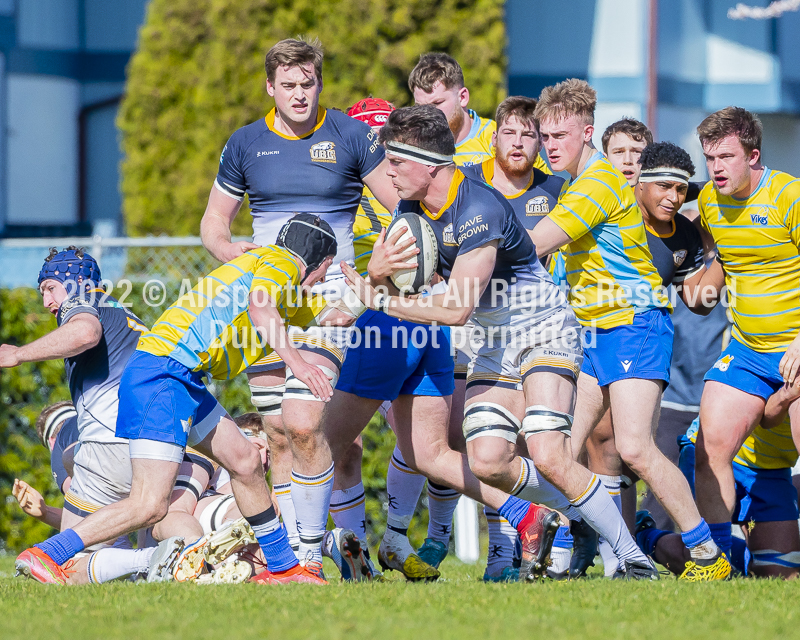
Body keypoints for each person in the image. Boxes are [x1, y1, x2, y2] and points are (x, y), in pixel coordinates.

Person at [343, 104, 655, 580]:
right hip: (492, 342)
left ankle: (632, 558)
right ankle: (577, 514)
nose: (386, 173)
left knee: (548, 453)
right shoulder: (410, 207)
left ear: (428, 164)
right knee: (488, 461)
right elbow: (397, 290)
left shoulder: (479, 209)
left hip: (542, 330)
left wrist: (378, 300)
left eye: (396, 162)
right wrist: (377, 275)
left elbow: (456, 308)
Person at [14, 215, 345, 586]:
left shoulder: (278, 278)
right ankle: (47, 553)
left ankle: (284, 569)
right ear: (322, 262)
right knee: (149, 504)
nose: (324, 279)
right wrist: (299, 365)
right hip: (164, 371)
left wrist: (371, 290)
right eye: (327, 271)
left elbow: (326, 317)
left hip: (182, 374)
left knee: (246, 461)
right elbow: (260, 307)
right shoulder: (282, 263)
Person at [199, 38, 398, 570]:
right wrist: (227, 249)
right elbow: (213, 224)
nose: (299, 94)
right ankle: (293, 561)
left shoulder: (351, 135)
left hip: (330, 300)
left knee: (306, 423)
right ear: (270, 87)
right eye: (288, 85)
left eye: (307, 84)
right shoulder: (244, 143)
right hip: (264, 298)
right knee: (279, 435)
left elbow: (404, 211)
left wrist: (377, 270)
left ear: (319, 83)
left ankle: (310, 557)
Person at [528, 78, 731, 580]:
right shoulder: (581, 184)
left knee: (635, 447)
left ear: (586, 133)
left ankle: (707, 555)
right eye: (545, 137)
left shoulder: (596, 183)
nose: (550, 146)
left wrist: (460, 254)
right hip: (593, 333)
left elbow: (534, 245)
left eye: (560, 136)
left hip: (635, 324)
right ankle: (607, 553)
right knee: (558, 452)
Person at [693, 106, 800, 564]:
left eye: (726, 157)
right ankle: (714, 560)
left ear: (753, 155)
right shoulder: (707, 204)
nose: (716, 168)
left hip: (796, 349)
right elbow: (711, 258)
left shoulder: (788, 196)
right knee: (709, 445)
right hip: (747, 350)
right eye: (709, 158)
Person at [639, 382, 800, 579]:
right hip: (714, 453)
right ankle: (642, 535)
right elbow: (770, 410)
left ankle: (750, 555)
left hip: (771, 469)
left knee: (781, 574)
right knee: (709, 563)